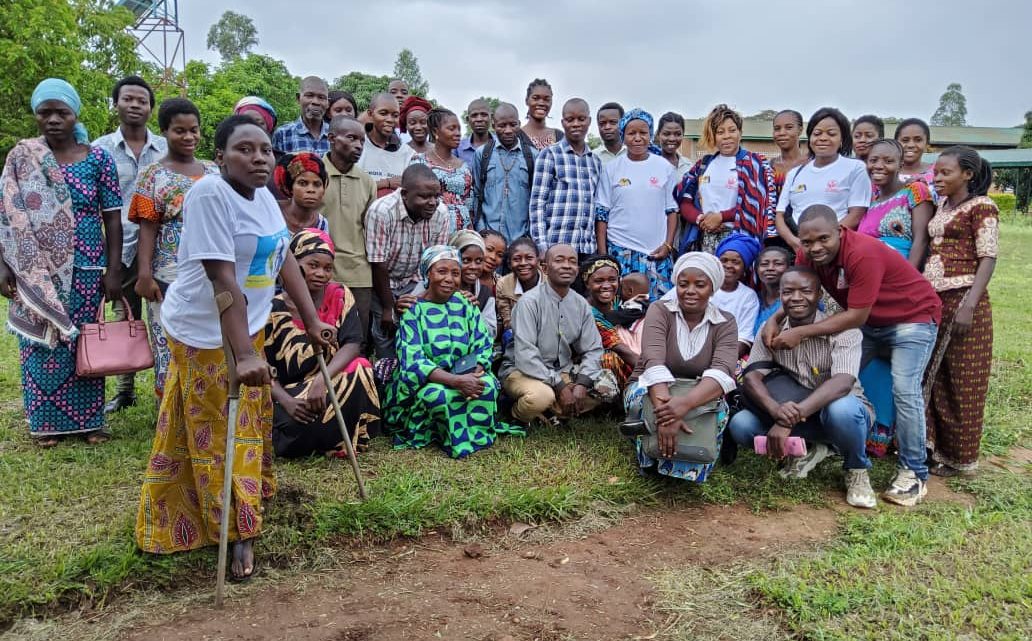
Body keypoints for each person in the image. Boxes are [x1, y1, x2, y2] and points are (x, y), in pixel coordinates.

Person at [136, 115, 334, 579]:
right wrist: (243, 354)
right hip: (204, 332)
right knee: (217, 428)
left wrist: (311, 320)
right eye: (245, 149)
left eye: (265, 149)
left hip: (251, 324)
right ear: (220, 156)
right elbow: (223, 280)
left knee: (244, 417)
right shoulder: (208, 195)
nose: (259, 157)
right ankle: (237, 527)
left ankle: (227, 500)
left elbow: (282, 255)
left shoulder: (264, 195)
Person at [765, 204, 941, 506]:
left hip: (912, 317)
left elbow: (855, 316)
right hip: (872, 321)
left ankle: (914, 474)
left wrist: (800, 333)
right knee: (831, 381)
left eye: (823, 239)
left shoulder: (863, 253)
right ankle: (824, 445)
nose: (815, 248)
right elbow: (801, 286)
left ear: (840, 231)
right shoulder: (808, 254)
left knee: (904, 389)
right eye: (807, 242)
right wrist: (775, 319)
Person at [0, 78, 123, 446]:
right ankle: (46, 425)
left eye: (62, 112)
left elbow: (113, 218)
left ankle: (89, 422)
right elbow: (6, 215)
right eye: (45, 112)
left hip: (87, 264)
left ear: (75, 115)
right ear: (36, 116)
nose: (53, 119)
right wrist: (4, 265)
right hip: (35, 269)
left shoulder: (98, 158)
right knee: (43, 345)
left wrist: (114, 270)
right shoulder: (22, 158)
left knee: (85, 340)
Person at [730, 267, 877, 508]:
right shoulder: (771, 330)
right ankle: (807, 449)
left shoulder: (844, 330)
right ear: (780, 296)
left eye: (805, 291)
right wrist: (775, 410)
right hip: (795, 412)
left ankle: (856, 469)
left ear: (819, 295)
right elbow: (752, 376)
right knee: (742, 425)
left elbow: (842, 383)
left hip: (843, 415)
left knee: (841, 408)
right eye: (788, 292)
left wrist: (786, 420)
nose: (796, 297)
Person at [383, 245, 522, 458]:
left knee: (488, 387)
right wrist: (455, 381)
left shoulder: (466, 305)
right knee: (439, 396)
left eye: (455, 273)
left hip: (466, 373)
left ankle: (467, 431)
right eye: (441, 271)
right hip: (427, 381)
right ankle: (440, 433)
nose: (449, 279)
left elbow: (483, 345)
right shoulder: (412, 310)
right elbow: (414, 362)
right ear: (427, 273)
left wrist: (473, 375)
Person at [128, 98, 219, 398]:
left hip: (209, 272)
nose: (189, 137)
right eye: (180, 131)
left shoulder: (213, 171)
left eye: (194, 130)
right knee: (168, 343)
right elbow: (147, 228)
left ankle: (202, 408)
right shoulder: (152, 174)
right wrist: (144, 275)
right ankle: (170, 415)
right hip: (166, 276)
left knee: (206, 341)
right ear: (165, 131)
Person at [622, 253, 738, 482]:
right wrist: (668, 414)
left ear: (713, 288)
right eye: (683, 284)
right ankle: (651, 458)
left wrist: (683, 405)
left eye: (700, 285)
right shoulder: (660, 310)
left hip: (695, 392)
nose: (690, 291)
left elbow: (721, 372)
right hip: (652, 386)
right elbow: (652, 361)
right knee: (641, 400)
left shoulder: (725, 322)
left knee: (717, 408)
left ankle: (692, 457)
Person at [265, 229, 381, 458]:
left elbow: (353, 343)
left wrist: (322, 380)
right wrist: (287, 401)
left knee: (360, 368)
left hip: (330, 386)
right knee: (292, 422)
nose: (321, 274)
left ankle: (336, 439)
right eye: (313, 265)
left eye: (327, 268)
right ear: (293, 266)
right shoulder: (272, 308)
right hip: (291, 395)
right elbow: (263, 367)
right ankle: (310, 439)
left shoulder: (339, 294)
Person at [93, 75, 167, 414]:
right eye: (128, 99)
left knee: (163, 317)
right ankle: (125, 390)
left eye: (142, 100)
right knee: (124, 316)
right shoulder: (100, 149)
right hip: (117, 246)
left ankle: (167, 388)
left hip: (160, 247)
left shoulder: (167, 147)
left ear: (151, 107)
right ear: (116, 104)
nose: (135, 105)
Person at [923, 146, 998, 477]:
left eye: (945, 173)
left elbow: (988, 257)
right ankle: (932, 446)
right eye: (936, 173)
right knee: (933, 375)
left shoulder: (982, 207)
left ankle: (959, 458)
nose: (937, 178)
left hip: (964, 299)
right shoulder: (941, 206)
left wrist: (970, 303)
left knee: (962, 380)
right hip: (936, 299)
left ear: (967, 174)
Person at [500, 244, 615, 424]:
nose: (567, 266)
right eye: (559, 260)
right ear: (544, 268)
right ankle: (516, 414)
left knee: (607, 387)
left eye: (572, 261)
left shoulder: (580, 304)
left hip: (562, 371)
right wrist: (561, 386)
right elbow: (525, 356)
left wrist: (581, 384)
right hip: (522, 370)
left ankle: (549, 413)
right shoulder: (529, 303)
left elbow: (593, 349)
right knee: (541, 396)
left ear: (577, 269)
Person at [365, 164, 451, 358]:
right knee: (385, 333)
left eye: (436, 196)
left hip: (416, 281)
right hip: (383, 282)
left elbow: (436, 261)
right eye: (424, 197)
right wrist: (389, 308)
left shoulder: (441, 214)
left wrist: (421, 296)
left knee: (417, 334)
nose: (432, 202)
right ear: (404, 194)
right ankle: (385, 382)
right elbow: (378, 263)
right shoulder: (382, 211)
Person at [594, 108, 678, 299]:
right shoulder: (612, 169)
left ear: (651, 135)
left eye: (643, 133)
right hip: (620, 249)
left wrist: (668, 245)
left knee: (659, 307)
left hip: (656, 253)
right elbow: (602, 214)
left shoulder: (664, 167)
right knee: (622, 307)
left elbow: (672, 210)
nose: (638, 138)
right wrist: (604, 255)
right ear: (623, 137)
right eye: (632, 133)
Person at [675, 104, 775, 254]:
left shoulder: (754, 164)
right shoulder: (703, 165)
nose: (727, 136)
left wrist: (721, 217)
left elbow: (757, 206)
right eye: (720, 132)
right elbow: (684, 201)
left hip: (740, 240)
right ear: (713, 136)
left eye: (732, 130)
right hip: (705, 240)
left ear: (740, 132)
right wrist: (701, 219)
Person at [774, 108, 871, 251]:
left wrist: (824, 241)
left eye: (831, 134)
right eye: (817, 133)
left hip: (837, 247)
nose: (823, 138)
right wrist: (794, 242)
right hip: (799, 247)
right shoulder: (795, 173)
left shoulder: (856, 168)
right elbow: (780, 215)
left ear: (842, 138)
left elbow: (856, 215)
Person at [321, 115, 378, 344]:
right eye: (351, 138)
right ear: (332, 139)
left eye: (362, 141)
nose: (358, 145)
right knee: (323, 336)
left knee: (357, 339)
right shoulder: (314, 175)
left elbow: (369, 229)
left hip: (359, 272)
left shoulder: (366, 181)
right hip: (322, 270)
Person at [529, 98, 601, 257]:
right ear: (563, 122)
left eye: (581, 119)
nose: (576, 124)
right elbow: (538, 202)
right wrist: (541, 246)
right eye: (570, 120)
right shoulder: (549, 155)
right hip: (557, 247)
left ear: (589, 121)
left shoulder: (595, 161)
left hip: (587, 248)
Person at [395, 229, 498, 338]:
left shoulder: (484, 294)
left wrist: (472, 313)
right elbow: (407, 325)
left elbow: (491, 333)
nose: (473, 267)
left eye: (479, 261)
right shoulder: (428, 286)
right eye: (466, 260)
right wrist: (398, 312)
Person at [859, 139, 933, 267]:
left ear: (900, 165)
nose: (878, 166)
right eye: (873, 160)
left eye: (888, 161)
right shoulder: (869, 202)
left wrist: (909, 278)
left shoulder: (914, 190)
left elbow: (921, 240)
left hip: (900, 274)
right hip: (868, 274)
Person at [472, 102, 538, 241]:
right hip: (489, 236)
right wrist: (482, 229)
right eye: (502, 126)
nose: (508, 130)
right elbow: (477, 194)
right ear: (494, 126)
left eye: (513, 125)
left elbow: (536, 198)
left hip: (521, 238)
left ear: (519, 124)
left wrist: (529, 234)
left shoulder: (532, 155)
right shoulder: (482, 154)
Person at [581, 255, 643, 391]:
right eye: (599, 281)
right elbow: (623, 351)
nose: (606, 286)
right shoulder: (585, 312)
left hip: (630, 352)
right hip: (589, 361)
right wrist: (656, 374)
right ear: (587, 283)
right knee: (610, 359)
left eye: (612, 280)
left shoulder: (619, 301)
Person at [410, 107, 474, 231]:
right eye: (452, 128)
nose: (458, 133)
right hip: (430, 228)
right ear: (435, 132)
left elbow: (469, 204)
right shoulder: (419, 162)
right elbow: (413, 200)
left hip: (461, 231)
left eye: (459, 129)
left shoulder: (464, 166)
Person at [712, 233, 761, 358]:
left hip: (728, 354)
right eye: (724, 260)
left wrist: (722, 360)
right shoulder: (699, 284)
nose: (729, 265)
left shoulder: (748, 296)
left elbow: (744, 338)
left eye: (736, 262)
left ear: (744, 267)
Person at [358, 93, 415, 198]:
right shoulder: (358, 146)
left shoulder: (407, 153)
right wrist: (386, 183)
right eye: (383, 113)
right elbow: (351, 188)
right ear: (370, 115)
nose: (390, 119)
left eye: (395, 115)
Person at [768, 109, 808, 242]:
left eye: (789, 127)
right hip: (775, 237)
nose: (782, 133)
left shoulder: (812, 164)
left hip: (807, 231)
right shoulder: (768, 167)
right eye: (777, 129)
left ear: (800, 130)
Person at [495, 235, 541, 336]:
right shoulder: (503, 284)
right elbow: (508, 322)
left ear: (538, 261)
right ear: (510, 264)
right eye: (517, 259)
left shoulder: (550, 284)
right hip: (518, 332)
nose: (523, 263)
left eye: (529, 258)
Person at [272, 76, 330, 155]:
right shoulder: (283, 134)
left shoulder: (335, 135)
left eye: (321, 97)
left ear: (327, 103)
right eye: (309, 95)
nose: (316, 102)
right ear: (298, 98)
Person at [273, 152, 329, 234]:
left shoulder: (321, 224)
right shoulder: (272, 211)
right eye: (303, 183)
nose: (311, 190)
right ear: (290, 187)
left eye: (317, 184)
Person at [752, 245, 794, 336]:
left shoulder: (798, 298)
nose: (770, 268)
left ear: (788, 268)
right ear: (757, 269)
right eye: (764, 264)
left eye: (778, 264)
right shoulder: (753, 299)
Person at [522, 79, 564, 151]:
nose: (541, 103)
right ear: (526, 101)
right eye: (535, 98)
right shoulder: (517, 136)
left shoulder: (560, 136)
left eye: (546, 99)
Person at [895, 117, 936, 191]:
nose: (911, 145)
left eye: (918, 140)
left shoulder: (937, 172)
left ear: (927, 144)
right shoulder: (886, 173)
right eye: (905, 140)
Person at [656, 112, 692, 181]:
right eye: (666, 134)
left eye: (678, 134)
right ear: (658, 135)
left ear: (683, 135)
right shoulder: (650, 165)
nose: (672, 139)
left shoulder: (688, 166)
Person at [456, 98, 492, 166]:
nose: (479, 119)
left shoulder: (500, 145)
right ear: (467, 120)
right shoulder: (457, 148)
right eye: (474, 115)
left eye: (484, 115)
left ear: (491, 117)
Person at [479, 228, 506, 293]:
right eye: (489, 249)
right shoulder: (463, 277)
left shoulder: (503, 284)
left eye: (500, 255)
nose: (493, 257)